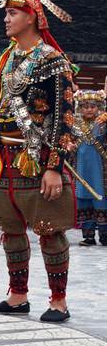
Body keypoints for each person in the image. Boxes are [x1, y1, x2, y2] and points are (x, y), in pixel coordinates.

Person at [0, 0, 76, 323]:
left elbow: (64, 116)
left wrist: (54, 167)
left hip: (37, 159)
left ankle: (59, 301)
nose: (6, 18)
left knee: (49, 232)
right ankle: (18, 295)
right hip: (4, 160)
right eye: (6, 12)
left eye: (12, 12)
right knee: (11, 230)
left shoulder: (53, 60)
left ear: (32, 17)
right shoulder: (6, 59)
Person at [72, 89, 107, 246]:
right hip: (81, 169)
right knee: (83, 198)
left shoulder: (102, 124)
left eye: (93, 106)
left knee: (101, 199)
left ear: (99, 107)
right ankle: (88, 235)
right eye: (85, 106)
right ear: (80, 108)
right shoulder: (74, 125)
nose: (89, 109)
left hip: (99, 169)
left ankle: (105, 234)